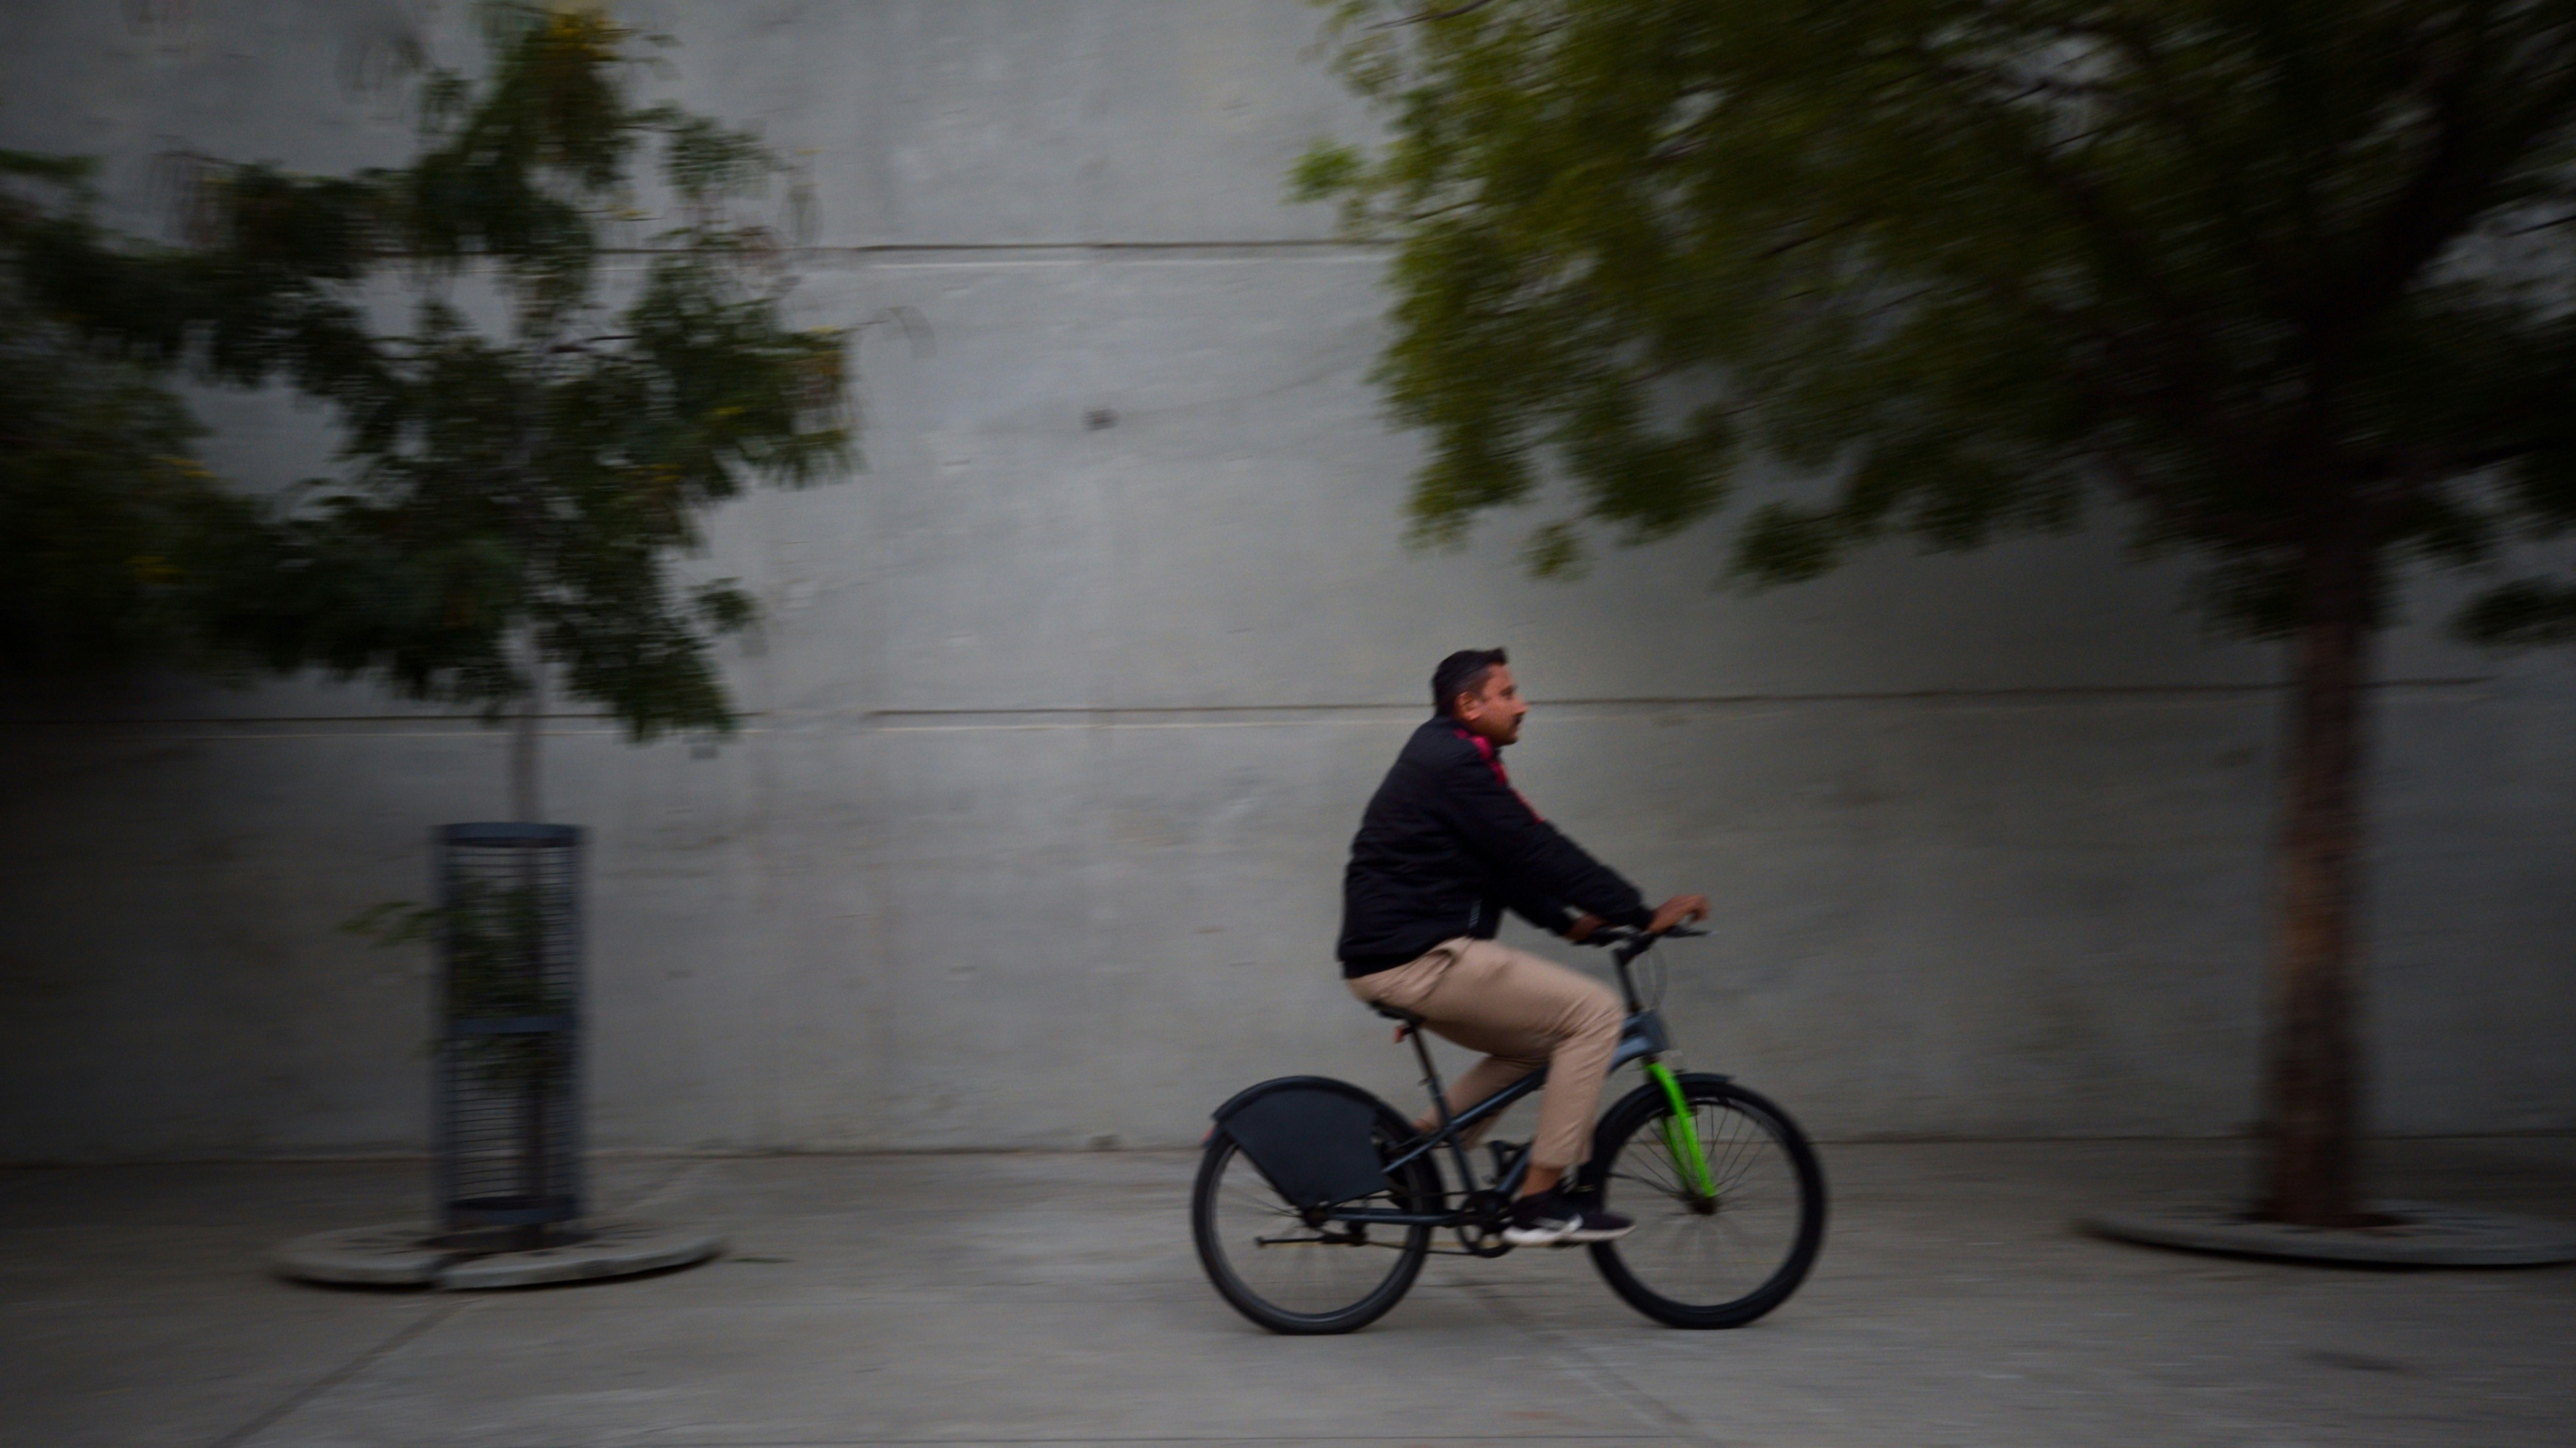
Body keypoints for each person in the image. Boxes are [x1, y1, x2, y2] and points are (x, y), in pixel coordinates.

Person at [1338, 648, 1709, 1246]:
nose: (1522, 705)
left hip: (1400, 953)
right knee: (1595, 1013)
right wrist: (1639, 911)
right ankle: (1538, 1199)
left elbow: (1499, 867)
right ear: (1469, 704)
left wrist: (1568, 925)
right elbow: (1537, 850)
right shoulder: (1453, 762)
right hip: (1416, 957)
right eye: (1508, 693)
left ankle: (1410, 1153)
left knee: (1542, 1047)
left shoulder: (1449, 758)